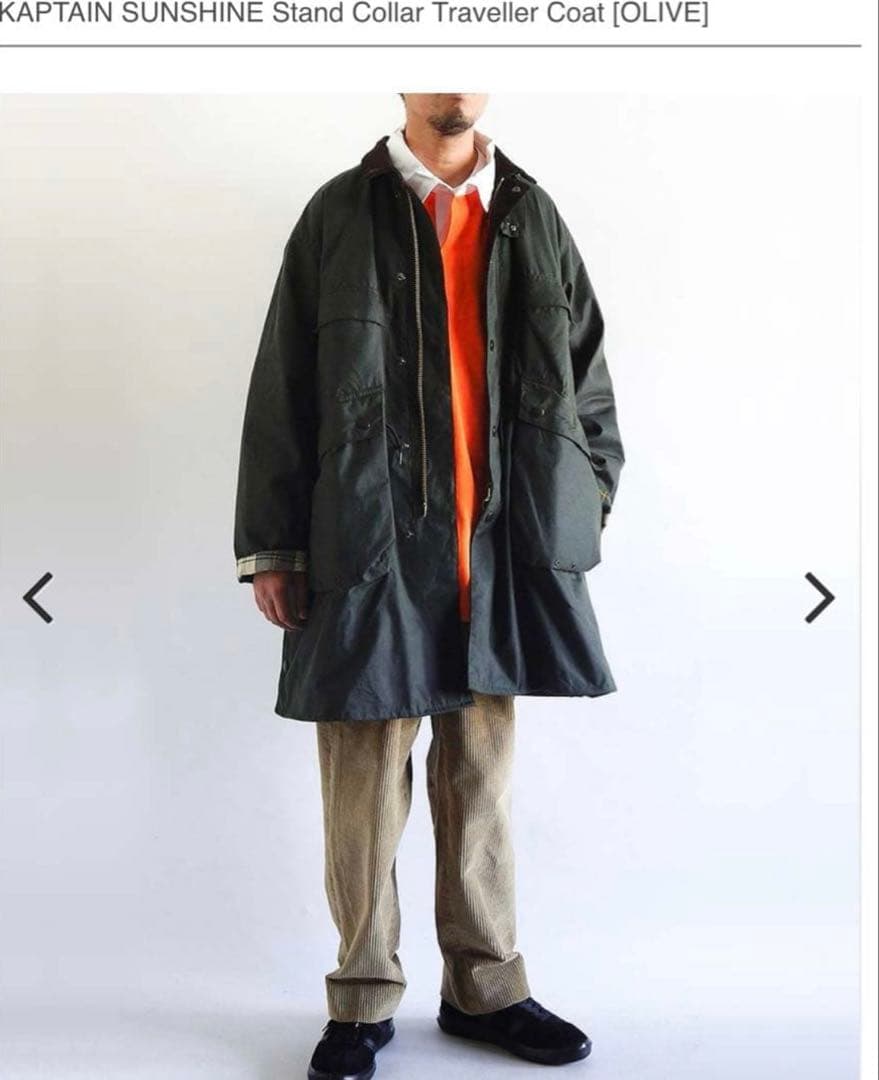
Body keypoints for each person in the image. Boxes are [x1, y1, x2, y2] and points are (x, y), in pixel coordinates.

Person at [234, 93, 624, 1080]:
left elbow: (587, 384)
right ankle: (362, 999)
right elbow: (283, 383)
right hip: (368, 554)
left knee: (480, 790)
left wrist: (578, 506)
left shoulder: (531, 215)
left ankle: (485, 990)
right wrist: (274, 547)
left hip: (495, 560)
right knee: (361, 798)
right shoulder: (339, 213)